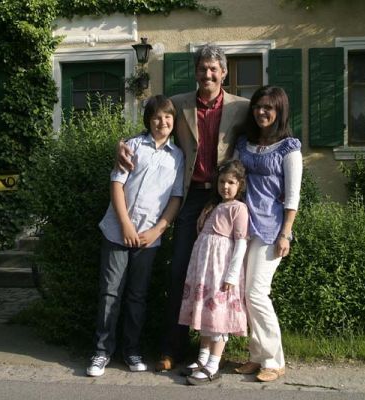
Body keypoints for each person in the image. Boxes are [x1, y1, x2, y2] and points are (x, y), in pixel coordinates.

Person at [117, 44, 249, 371]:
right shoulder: (179, 103)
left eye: (213, 69)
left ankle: (215, 347)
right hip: (190, 198)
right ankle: (171, 349)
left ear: (224, 73)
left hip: (224, 200)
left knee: (221, 276)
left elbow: (264, 136)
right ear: (196, 71)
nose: (208, 74)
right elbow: (154, 126)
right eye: (202, 68)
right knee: (180, 273)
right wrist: (122, 145)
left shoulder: (241, 107)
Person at [86, 95, 184, 377]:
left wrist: (157, 230)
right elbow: (117, 185)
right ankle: (102, 351)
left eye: (167, 117)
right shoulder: (132, 146)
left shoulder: (178, 157)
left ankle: (131, 350)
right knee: (110, 293)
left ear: (174, 121)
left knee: (137, 296)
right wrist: (126, 225)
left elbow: (176, 198)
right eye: (156, 117)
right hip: (118, 232)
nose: (162, 122)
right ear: (148, 121)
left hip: (148, 239)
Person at [234, 85, 303, 382]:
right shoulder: (244, 144)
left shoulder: (289, 148)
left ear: (279, 111)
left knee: (256, 292)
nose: (261, 112)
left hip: (271, 229)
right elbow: (232, 176)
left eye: (268, 107)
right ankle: (257, 356)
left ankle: (275, 360)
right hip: (242, 226)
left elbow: (293, 196)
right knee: (245, 293)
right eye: (258, 106)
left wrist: (286, 233)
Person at [178, 160, 249, 385]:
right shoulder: (213, 206)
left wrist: (231, 275)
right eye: (222, 182)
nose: (225, 186)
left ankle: (213, 364)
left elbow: (241, 243)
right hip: (205, 269)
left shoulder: (238, 208)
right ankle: (202, 358)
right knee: (206, 314)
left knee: (218, 315)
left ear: (240, 185)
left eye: (231, 182)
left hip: (220, 270)